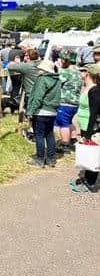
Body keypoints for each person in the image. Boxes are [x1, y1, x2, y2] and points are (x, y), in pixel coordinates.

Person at [71, 64, 100, 192]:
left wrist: (88, 133)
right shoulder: (87, 87)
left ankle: (91, 183)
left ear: (88, 73)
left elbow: (94, 112)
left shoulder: (95, 90)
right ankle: (87, 179)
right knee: (88, 153)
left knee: (92, 154)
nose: (81, 73)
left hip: (91, 126)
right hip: (84, 125)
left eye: (83, 71)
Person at [26, 60, 61, 167]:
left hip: (41, 111)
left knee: (39, 135)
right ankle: (51, 159)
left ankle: (40, 159)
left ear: (44, 70)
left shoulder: (42, 79)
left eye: (40, 69)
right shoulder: (57, 79)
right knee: (50, 134)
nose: (38, 71)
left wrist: (30, 111)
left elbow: (38, 97)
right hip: (52, 111)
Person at [55, 50, 82, 153]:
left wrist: (58, 70)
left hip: (65, 102)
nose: (60, 61)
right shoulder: (78, 72)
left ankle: (65, 144)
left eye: (62, 59)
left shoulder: (65, 72)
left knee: (63, 124)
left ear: (66, 60)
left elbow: (57, 83)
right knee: (69, 121)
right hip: (75, 103)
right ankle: (73, 139)